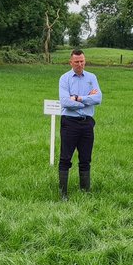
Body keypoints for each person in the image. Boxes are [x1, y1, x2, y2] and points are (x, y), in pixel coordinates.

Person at [58, 49, 102, 198]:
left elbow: (98, 99)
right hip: (69, 123)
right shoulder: (64, 78)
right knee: (65, 158)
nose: (80, 64)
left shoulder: (92, 77)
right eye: (76, 61)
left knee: (85, 158)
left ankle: (85, 191)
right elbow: (64, 102)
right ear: (71, 62)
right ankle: (63, 193)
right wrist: (86, 101)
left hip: (87, 124)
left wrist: (78, 99)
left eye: (82, 61)